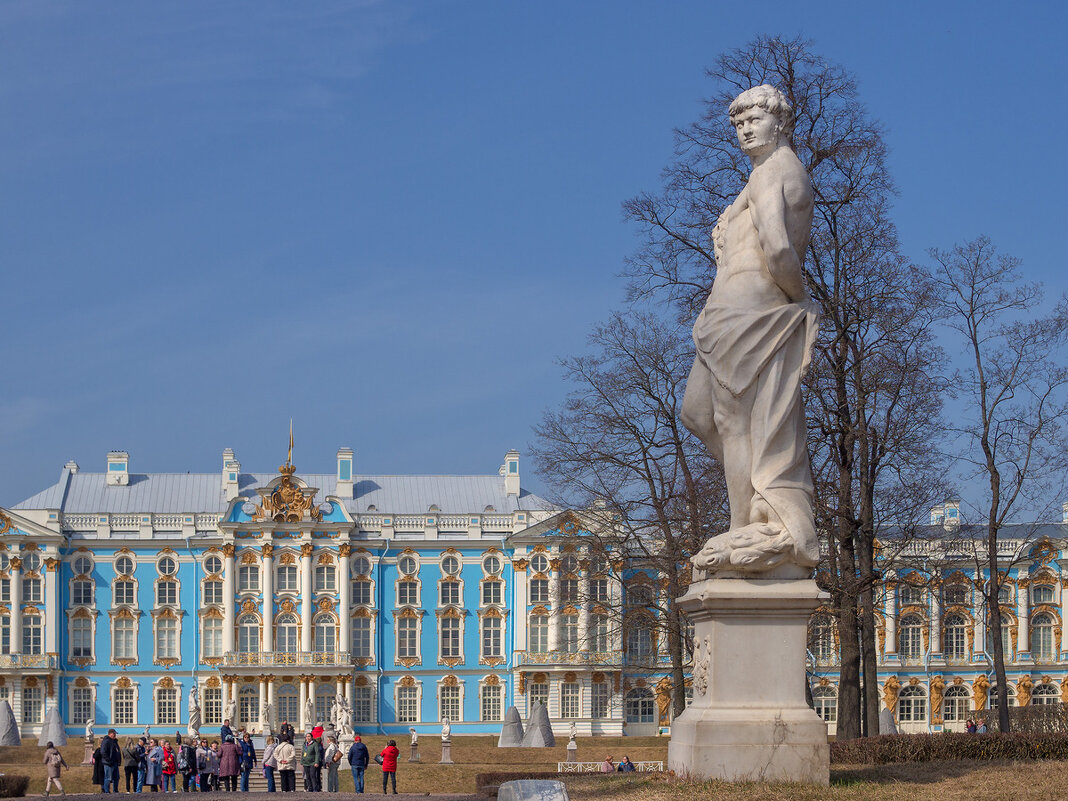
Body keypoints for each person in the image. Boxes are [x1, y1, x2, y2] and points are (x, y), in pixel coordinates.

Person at [681, 84, 819, 575]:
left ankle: (748, 524)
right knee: (697, 414)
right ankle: (762, 490)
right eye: (737, 124)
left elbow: (780, 250)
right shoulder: (761, 173)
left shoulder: (778, 171)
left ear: (781, 124)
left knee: (734, 424)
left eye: (753, 120)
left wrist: (799, 301)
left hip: (752, 314)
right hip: (724, 315)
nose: (743, 130)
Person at [101, 728, 122, 794]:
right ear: (110, 734)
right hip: (109, 763)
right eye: (114, 734)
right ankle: (107, 791)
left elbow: (117, 751)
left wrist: (118, 760)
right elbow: (103, 752)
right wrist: (108, 760)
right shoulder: (106, 741)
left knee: (116, 777)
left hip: (115, 762)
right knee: (108, 777)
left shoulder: (115, 741)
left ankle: (115, 790)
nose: (115, 735)